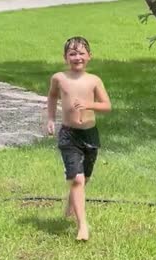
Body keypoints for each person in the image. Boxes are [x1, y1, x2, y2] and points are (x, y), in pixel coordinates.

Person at [46, 36, 111, 241]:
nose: (77, 57)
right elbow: (52, 97)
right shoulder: (59, 78)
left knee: (86, 177)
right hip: (68, 134)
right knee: (77, 178)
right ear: (65, 57)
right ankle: (82, 226)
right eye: (72, 53)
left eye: (81, 53)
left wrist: (88, 105)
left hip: (90, 134)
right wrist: (50, 119)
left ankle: (72, 202)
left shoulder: (94, 80)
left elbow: (107, 106)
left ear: (89, 56)